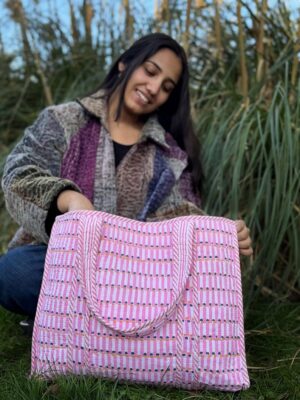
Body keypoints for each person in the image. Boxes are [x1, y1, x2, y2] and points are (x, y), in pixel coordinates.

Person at [0, 33, 252, 325]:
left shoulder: (169, 152)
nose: (154, 87)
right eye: (150, 71)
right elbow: (20, 174)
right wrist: (69, 199)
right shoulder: (63, 119)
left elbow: (182, 214)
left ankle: (69, 317)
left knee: (211, 280)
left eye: (167, 86)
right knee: (14, 273)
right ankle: (126, 322)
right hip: (62, 259)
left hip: (135, 274)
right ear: (124, 64)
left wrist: (218, 235)